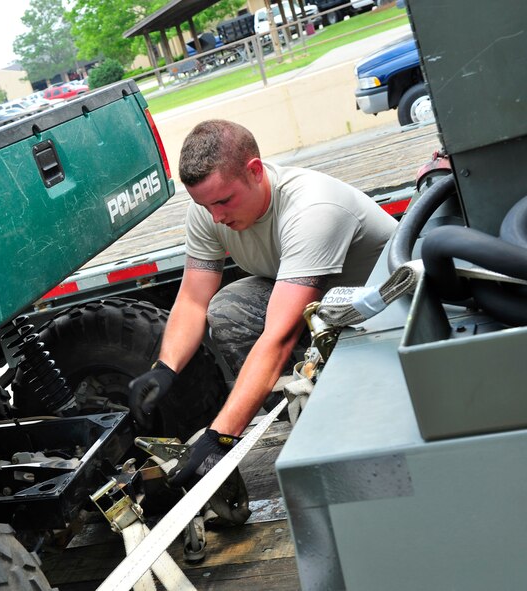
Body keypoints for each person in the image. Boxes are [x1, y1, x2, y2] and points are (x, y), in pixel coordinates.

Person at [129, 120, 397, 489]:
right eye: (205, 205)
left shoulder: (312, 208)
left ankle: (350, 429)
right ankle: (304, 423)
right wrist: (164, 369)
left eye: (224, 201)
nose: (217, 217)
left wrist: (220, 437)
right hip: (317, 306)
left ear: (255, 171)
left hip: (382, 318)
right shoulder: (211, 210)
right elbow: (193, 299)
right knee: (230, 307)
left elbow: (279, 337)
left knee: (275, 335)